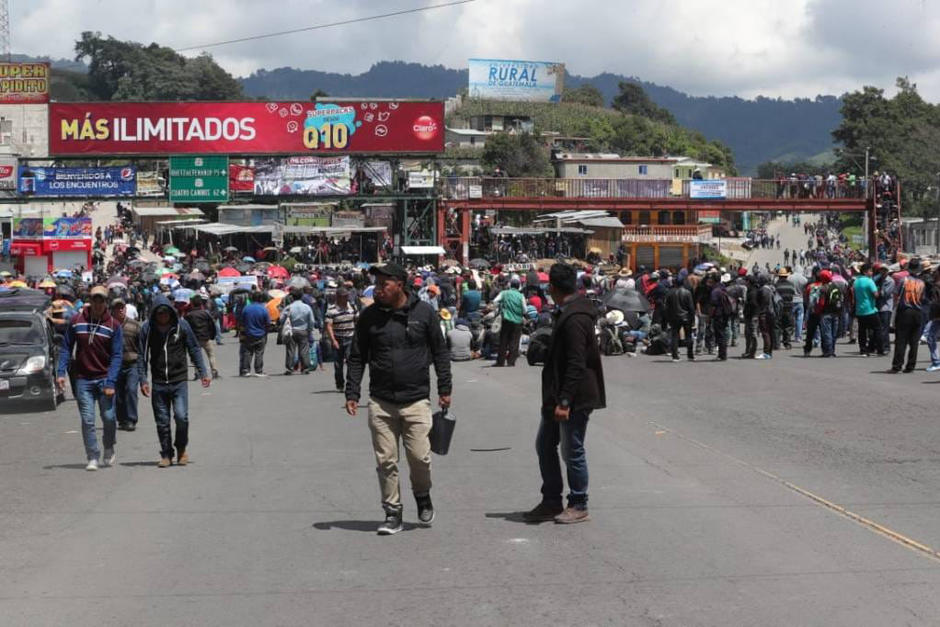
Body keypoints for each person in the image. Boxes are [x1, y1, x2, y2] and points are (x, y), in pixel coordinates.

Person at [345, 263, 452, 536]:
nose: (378, 289)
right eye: (377, 284)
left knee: (420, 458)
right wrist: (352, 392)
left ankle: (422, 495)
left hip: (416, 400)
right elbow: (357, 356)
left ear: (400, 285)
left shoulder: (424, 313)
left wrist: (444, 387)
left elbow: (440, 352)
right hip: (381, 401)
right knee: (386, 461)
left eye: (384, 285)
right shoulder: (369, 317)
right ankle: (392, 512)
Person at [524, 263, 605, 524]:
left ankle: (579, 502)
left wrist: (566, 400)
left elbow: (576, 362)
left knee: (572, 449)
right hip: (556, 395)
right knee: (545, 444)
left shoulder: (575, 318)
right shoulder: (567, 312)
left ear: (553, 288)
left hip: (573, 397)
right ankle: (551, 500)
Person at [57, 285, 123, 471]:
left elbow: (117, 355)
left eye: (102, 299)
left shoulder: (113, 325)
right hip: (83, 379)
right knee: (87, 420)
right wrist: (61, 373)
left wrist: (111, 381)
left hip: (104, 378)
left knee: (109, 418)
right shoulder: (77, 321)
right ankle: (92, 455)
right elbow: (66, 348)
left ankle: (108, 446)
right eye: (95, 299)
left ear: (106, 302)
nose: (98, 303)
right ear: (90, 300)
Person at [139, 295, 210, 467]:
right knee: (162, 421)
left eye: (166, 313)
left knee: (181, 416)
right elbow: (142, 356)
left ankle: (181, 449)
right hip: (159, 381)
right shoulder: (147, 329)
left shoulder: (182, 326)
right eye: (159, 314)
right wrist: (143, 379)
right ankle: (166, 454)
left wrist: (203, 372)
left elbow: (194, 348)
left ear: (171, 312)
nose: (163, 317)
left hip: (178, 380)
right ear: (154, 314)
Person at [891, 258, 926, 373]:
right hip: (918, 312)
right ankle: (910, 366)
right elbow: (923, 298)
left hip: (905, 312)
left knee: (901, 340)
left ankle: (897, 365)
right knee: (914, 341)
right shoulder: (922, 283)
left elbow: (896, 294)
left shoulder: (903, 281)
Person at [112, 298, 141, 432]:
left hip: (132, 364)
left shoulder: (134, 325)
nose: (120, 310)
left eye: (122, 307)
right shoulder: (109, 326)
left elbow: (141, 347)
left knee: (131, 390)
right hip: (115, 366)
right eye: (117, 308)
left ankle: (131, 419)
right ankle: (122, 419)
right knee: (118, 394)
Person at [326, 288, 358, 391]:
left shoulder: (352, 307)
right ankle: (340, 384)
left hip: (350, 338)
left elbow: (357, 321)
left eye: (347, 296)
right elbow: (329, 326)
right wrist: (333, 340)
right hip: (338, 338)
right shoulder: (331, 310)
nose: (346, 298)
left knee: (350, 362)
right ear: (338, 297)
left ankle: (350, 383)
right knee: (338, 364)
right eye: (344, 296)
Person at [184, 295, 220, 379]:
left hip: (195, 339)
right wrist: (212, 336)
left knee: (196, 356)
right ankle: (214, 371)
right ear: (201, 304)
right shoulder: (205, 313)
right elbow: (212, 325)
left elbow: (186, 328)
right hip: (206, 338)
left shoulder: (189, 315)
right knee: (211, 355)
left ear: (192, 304)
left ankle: (197, 372)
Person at [281, 288, 315, 375]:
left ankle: (290, 368)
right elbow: (311, 321)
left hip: (291, 331)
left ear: (292, 297)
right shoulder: (307, 307)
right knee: (304, 350)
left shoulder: (289, 307)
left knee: (290, 350)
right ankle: (305, 368)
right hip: (303, 330)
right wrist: (309, 330)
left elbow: (282, 319)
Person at [494, 278, 525, 367]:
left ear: (510, 285)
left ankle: (500, 362)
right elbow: (525, 310)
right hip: (517, 321)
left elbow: (495, 301)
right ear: (518, 286)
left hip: (506, 319)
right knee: (514, 341)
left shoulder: (504, 293)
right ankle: (511, 362)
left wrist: (501, 306)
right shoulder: (521, 296)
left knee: (503, 341)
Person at [662, 276, 695, 362]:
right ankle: (690, 355)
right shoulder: (687, 292)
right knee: (688, 336)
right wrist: (693, 319)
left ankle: (675, 356)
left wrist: (668, 318)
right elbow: (691, 307)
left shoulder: (670, 293)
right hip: (686, 316)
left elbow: (666, 307)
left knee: (675, 336)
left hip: (674, 317)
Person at [853, 263, 882, 357]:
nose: (872, 272)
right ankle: (880, 349)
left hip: (859, 310)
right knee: (877, 328)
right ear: (865, 272)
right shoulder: (869, 281)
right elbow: (876, 294)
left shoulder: (856, 281)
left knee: (862, 331)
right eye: (870, 271)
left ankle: (863, 350)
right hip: (870, 309)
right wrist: (879, 291)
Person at [238, 292, 270, 377]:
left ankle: (245, 370)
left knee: (247, 352)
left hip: (248, 334)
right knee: (259, 353)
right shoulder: (263, 309)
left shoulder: (246, 309)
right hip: (261, 334)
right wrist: (266, 333)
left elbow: (242, 322)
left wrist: (242, 334)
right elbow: (267, 323)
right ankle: (258, 371)